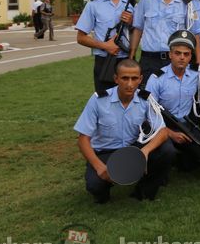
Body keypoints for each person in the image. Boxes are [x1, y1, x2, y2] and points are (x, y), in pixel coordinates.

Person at [73, 59, 175, 203]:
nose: (130, 84)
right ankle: (103, 192)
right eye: (125, 78)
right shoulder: (98, 100)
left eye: (134, 78)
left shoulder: (146, 99)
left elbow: (163, 131)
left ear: (140, 79)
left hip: (132, 149)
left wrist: (145, 151)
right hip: (105, 152)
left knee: (167, 150)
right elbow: (83, 139)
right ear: (116, 79)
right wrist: (99, 166)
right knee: (95, 185)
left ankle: (144, 191)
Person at [145, 30, 200, 172]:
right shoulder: (157, 78)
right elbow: (149, 112)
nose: (182, 57)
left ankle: (181, 160)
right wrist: (169, 133)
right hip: (162, 125)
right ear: (170, 54)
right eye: (178, 53)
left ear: (190, 56)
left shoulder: (196, 72)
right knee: (167, 150)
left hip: (185, 124)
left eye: (186, 54)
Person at [130, 0, 200, 83]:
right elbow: (138, 28)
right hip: (149, 60)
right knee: (148, 93)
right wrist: (132, 55)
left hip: (175, 60)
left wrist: (199, 60)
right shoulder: (146, 0)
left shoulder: (186, 3)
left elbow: (195, 32)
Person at [76, 0, 134, 91]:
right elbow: (80, 37)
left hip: (126, 60)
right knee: (104, 99)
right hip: (104, 61)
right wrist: (105, 46)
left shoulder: (132, 4)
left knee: (128, 98)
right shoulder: (94, 4)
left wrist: (131, 22)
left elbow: (139, 32)